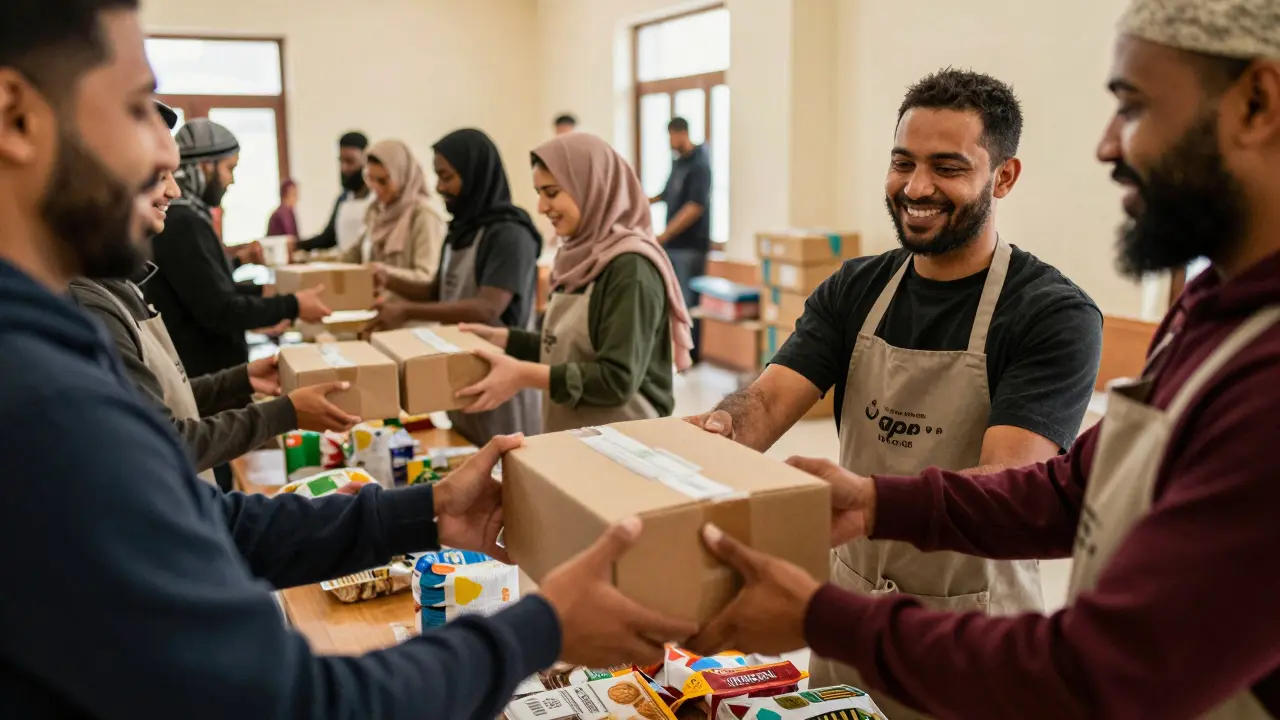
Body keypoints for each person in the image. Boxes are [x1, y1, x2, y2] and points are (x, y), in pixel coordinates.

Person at [0, 4, 697, 717]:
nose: (165, 166)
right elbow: (300, 701)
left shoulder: (54, 341)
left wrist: (425, 510)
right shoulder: (40, 404)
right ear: (17, 117)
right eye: (137, 108)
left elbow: (209, 522)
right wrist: (540, 628)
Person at [686, 2, 1280, 718]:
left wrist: (822, 616)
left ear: (1258, 102)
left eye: (1133, 107)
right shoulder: (1213, 312)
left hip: (978, 640)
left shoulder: (1074, 317)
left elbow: (1104, 669)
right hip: (875, 622)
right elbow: (1067, 491)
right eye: (903, 161)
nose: (1105, 146)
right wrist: (873, 501)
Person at [687, 69, 1103, 718]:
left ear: (1004, 177)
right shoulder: (854, 289)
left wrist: (879, 500)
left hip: (971, 627)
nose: (916, 187)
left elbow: (1006, 480)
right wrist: (714, 432)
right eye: (903, 162)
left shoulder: (1051, 314)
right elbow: (765, 403)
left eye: (947, 167)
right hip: (848, 604)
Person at [70, 102, 359, 480]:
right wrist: (285, 411)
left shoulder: (121, 282)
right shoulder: (91, 299)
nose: (172, 191)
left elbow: (166, 395)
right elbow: (167, 439)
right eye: (159, 175)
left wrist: (240, 379)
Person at [456, 132, 695, 432]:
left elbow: (616, 380)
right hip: (579, 437)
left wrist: (524, 375)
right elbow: (561, 348)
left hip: (626, 446)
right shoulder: (577, 257)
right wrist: (501, 339)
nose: (542, 207)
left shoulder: (630, 269)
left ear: (590, 188)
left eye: (552, 192)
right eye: (539, 193)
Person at [365, 128, 543, 444]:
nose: (439, 187)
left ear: (475, 175)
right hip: (463, 373)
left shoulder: (509, 235)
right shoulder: (460, 229)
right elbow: (439, 291)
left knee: (508, 472)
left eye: (447, 177)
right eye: (437, 176)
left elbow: (487, 308)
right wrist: (388, 280)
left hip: (502, 382)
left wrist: (405, 311)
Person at [649, 117, 711, 361]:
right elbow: (666, 194)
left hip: (691, 247)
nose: (671, 142)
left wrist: (664, 234)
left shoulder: (700, 165)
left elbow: (694, 207)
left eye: (673, 136)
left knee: (688, 303)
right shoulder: (678, 163)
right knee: (674, 302)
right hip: (672, 246)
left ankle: (690, 357)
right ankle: (677, 354)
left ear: (683, 133)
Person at [347, 139, 446, 286]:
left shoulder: (423, 216)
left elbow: (427, 277)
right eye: (370, 179)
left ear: (401, 176)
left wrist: (384, 273)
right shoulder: (376, 212)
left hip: (408, 308)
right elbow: (352, 256)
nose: (376, 188)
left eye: (383, 181)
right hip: (374, 305)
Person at [295, 131, 376, 254]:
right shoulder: (343, 198)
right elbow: (329, 238)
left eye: (350, 161)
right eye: (341, 161)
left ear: (366, 161)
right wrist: (296, 245)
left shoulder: (377, 197)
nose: (344, 168)